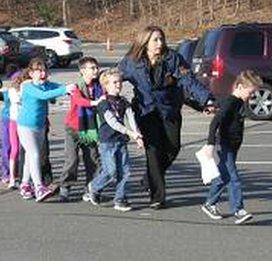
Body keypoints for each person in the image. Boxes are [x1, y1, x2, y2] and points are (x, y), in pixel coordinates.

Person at [117, 26, 215, 209]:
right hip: (146, 112)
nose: (160, 43)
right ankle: (157, 197)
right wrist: (96, 88)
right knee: (153, 153)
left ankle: (149, 178)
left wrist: (207, 99)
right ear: (144, 42)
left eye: (161, 39)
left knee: (172, 148)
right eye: (155, 40)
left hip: (169, 110)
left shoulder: (173, 58)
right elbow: (113, 77)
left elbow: (189, 81)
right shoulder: (132, 61)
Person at [200, 70, 262, 225]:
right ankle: (238, 210)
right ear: (240, 87)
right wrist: (210, 144)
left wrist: (213, 106)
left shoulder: (236, 101)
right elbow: (215, 122)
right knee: (234, 178)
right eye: (250, 92)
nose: (251, 96)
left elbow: (220, 105)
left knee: (224, 176)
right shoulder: (232, 101)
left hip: (232, 145)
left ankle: (209, 204)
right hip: (225, 145)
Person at [84, 69, 144, 211]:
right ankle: (94, 187)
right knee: (110, 171)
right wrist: (130, 132)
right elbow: (112, 122)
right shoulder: (103, 103)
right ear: (106, 85)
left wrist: (137, 135)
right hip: (107, 141)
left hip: (121, 141)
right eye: (114, 82)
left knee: (125, 171)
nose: (118, 85)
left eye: (120, 82)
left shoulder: (124, 102)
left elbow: (131, 118)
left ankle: (120, 199)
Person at [16, 58, 75, 202]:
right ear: (31, 73)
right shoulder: (29, 86)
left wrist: (70, 88)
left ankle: (24, 184)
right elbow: (43, 96)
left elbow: (56, 88)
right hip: (25, 126)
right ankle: (39, 187)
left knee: (31, 157)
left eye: (44, 71)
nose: (42, 74)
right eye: (38, 71)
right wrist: (64, 90)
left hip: (40, 125)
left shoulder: (47, 85)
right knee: (35, 154)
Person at [59, 56, 104, 202]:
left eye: (96, 67)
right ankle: (65, 187)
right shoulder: (76, 87)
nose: (96, 70)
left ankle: (91, 187)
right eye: (92, 68)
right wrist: (95, 102)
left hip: (89, 128)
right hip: (73, 127)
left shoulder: (100, 86)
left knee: (92, 159)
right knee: (71, 159)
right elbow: (79, 101)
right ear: (82, 71)